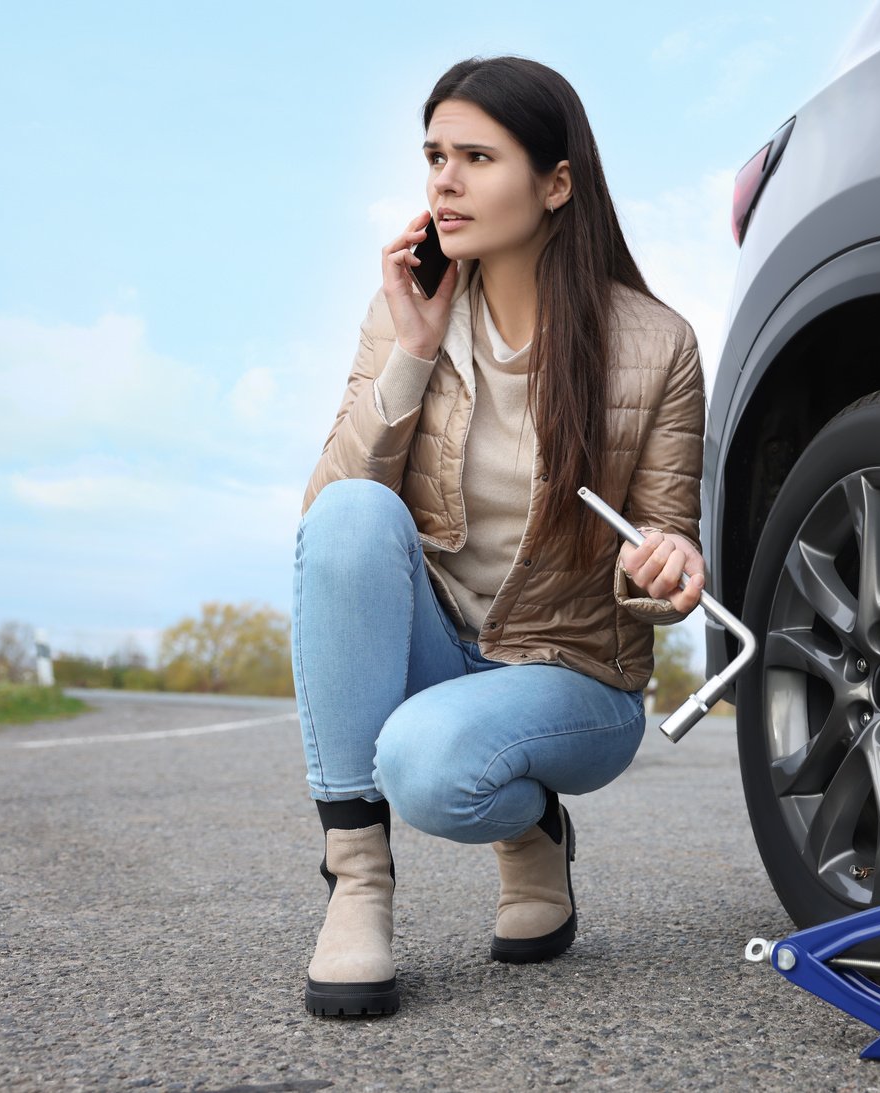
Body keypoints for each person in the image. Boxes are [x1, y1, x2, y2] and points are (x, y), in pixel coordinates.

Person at [290, 55, 706, 1017]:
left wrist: (668, 566)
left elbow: (664, 546)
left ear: (555, 184)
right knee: (353, 512)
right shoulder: (404, 314)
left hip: (575, 677)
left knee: (428, 767)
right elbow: (331, 525)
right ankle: (357, 880)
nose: (444, 180)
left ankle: (531, 830)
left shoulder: (658, 342)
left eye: (477, 156)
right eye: (434, 154)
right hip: (443, 648)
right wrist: (414, 349)